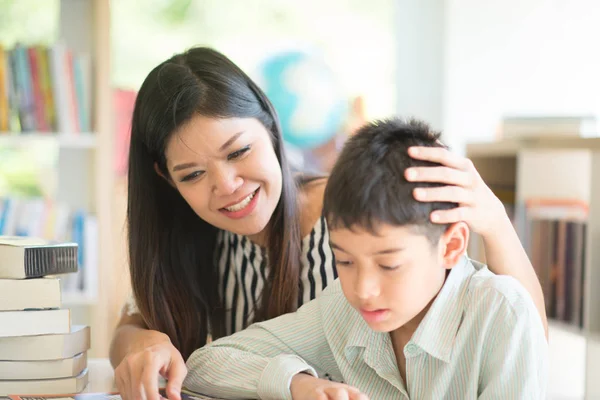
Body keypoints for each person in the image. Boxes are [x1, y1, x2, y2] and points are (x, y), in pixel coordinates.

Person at [109, 47, 548, 400]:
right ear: (167, 180)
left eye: (239, 151)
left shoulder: (355, 218)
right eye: (193, 174)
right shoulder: (193, 240)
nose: (226, 185)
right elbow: (159, 333)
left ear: (271, 127)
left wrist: (494, 222)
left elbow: (520, 338)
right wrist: (139, 341)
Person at [184, 118, 549, 400]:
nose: (363, 289)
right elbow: (205, 365)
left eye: (389, 265)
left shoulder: (501, 313)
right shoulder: (341, 310)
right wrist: (296, 383)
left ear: (451, 247)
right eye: (344, 261)